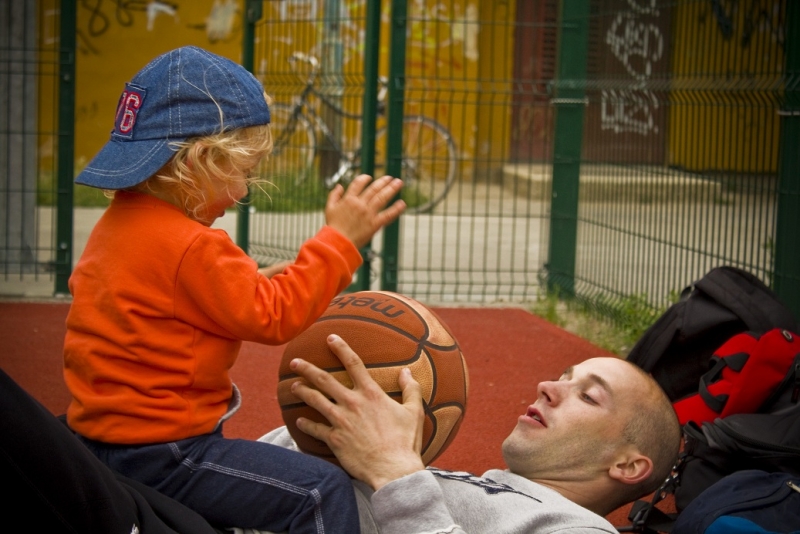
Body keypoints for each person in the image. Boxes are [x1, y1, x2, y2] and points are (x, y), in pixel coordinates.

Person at [63, 46, 405, 534]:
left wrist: (262, 279)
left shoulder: (116, 227)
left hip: (97, 440)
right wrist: (340, 242)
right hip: (165, 455)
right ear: (200, 161)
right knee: (319, 492)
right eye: (244, 172)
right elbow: (275, 316)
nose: (244, 191)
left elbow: (178, 302)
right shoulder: (192, 246)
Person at [259, 334, 682, 533]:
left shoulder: (576, 529)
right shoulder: (470, 490)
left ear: (627, 465)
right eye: (563, 376)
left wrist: (397, 473)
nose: (547, 387)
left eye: (588, 396)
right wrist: (323, 431)